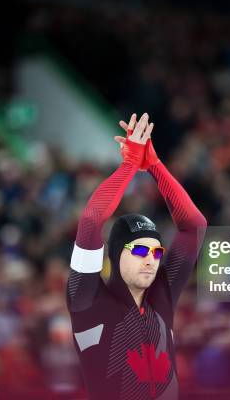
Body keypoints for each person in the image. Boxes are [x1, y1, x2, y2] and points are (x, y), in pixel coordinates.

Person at [66, 113, 207, 399]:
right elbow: (92, 221)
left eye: (157, 251)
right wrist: (130, 165)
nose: (151, 259)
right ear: (116, 255)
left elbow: (194, 226)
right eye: (140, 250)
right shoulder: (87, 299)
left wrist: (154, 165)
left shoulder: (162, 296)